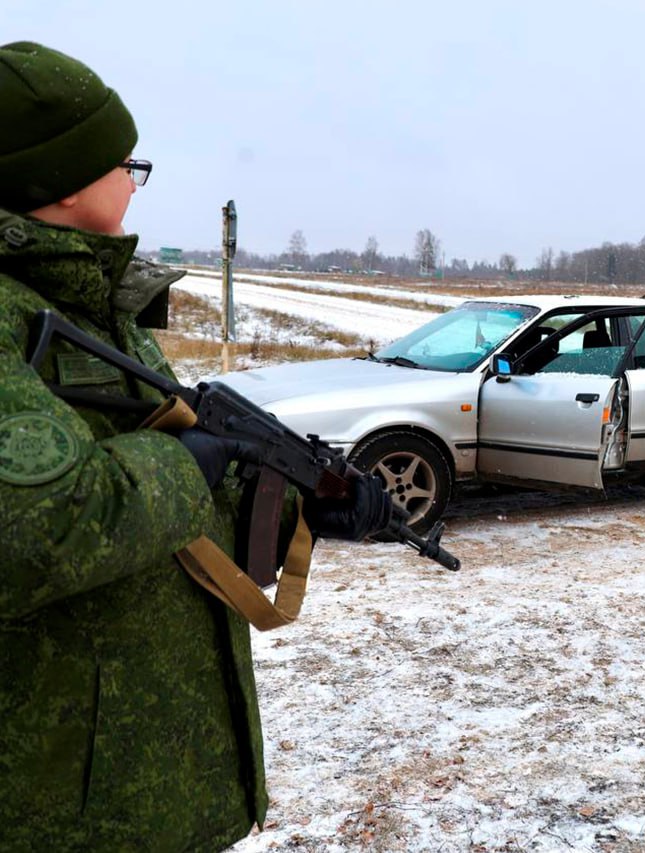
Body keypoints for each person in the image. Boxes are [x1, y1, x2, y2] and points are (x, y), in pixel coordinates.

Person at [0, 42, 390, 849]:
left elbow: (168, 486)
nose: (135, 181)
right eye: (127, 164)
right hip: (59, 804)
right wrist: (184, 466)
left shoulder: (95, 303)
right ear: (67, 181)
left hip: (148, 780)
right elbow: (29, 533)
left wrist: (303, 507)